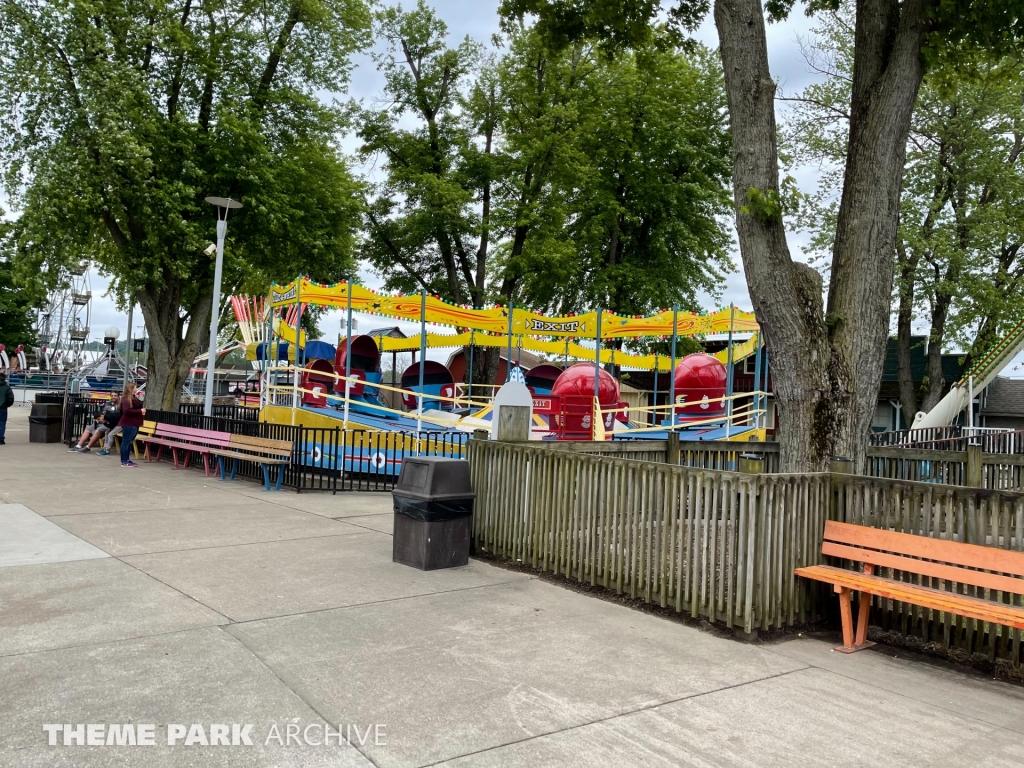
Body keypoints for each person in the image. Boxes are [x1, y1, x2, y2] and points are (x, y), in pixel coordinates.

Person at [118, 382, 146, 467]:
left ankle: (126, 459)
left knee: (128, 441)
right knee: (126, 442)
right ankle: (124, 461)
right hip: (129, 423)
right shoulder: (126, 399)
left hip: (133, 422)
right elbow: (127, 411)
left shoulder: (132, 398)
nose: (136, 389)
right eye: (135, 387)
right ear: (131, 389)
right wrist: (140, 411)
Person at [0, 372, 13, 445]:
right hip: (3, 407)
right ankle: (1, 439)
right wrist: (7, 404)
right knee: (2, 423)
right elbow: (11, 398)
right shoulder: (7, 387)